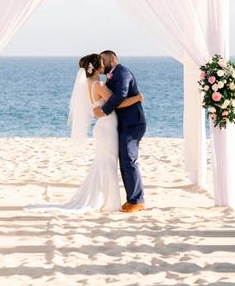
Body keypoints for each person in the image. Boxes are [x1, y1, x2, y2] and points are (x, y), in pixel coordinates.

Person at [26, 54, 142, 213]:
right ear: (96, 67)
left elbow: (97, 109)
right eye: (101, 62)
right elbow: (117, 103)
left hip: (103, 127)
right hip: (107, 128)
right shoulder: (99, 84)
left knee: (104, 162)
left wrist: (99, 111)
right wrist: (137, 98)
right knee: (108, 163)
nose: (104, 64)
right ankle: (109, 202)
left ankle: (106, 200)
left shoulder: (88, 83)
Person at [93, 50, 147, 213]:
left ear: (113, 59)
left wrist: (104, 111)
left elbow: (121, 95)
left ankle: (137, 200)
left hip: (133, 122)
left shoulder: (122, 72)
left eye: (104, 59)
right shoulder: (110, 77)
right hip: (123, 123)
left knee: (129, 160)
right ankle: (132, 199)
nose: (101, 62)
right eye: (100, 60)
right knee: (124, 160)